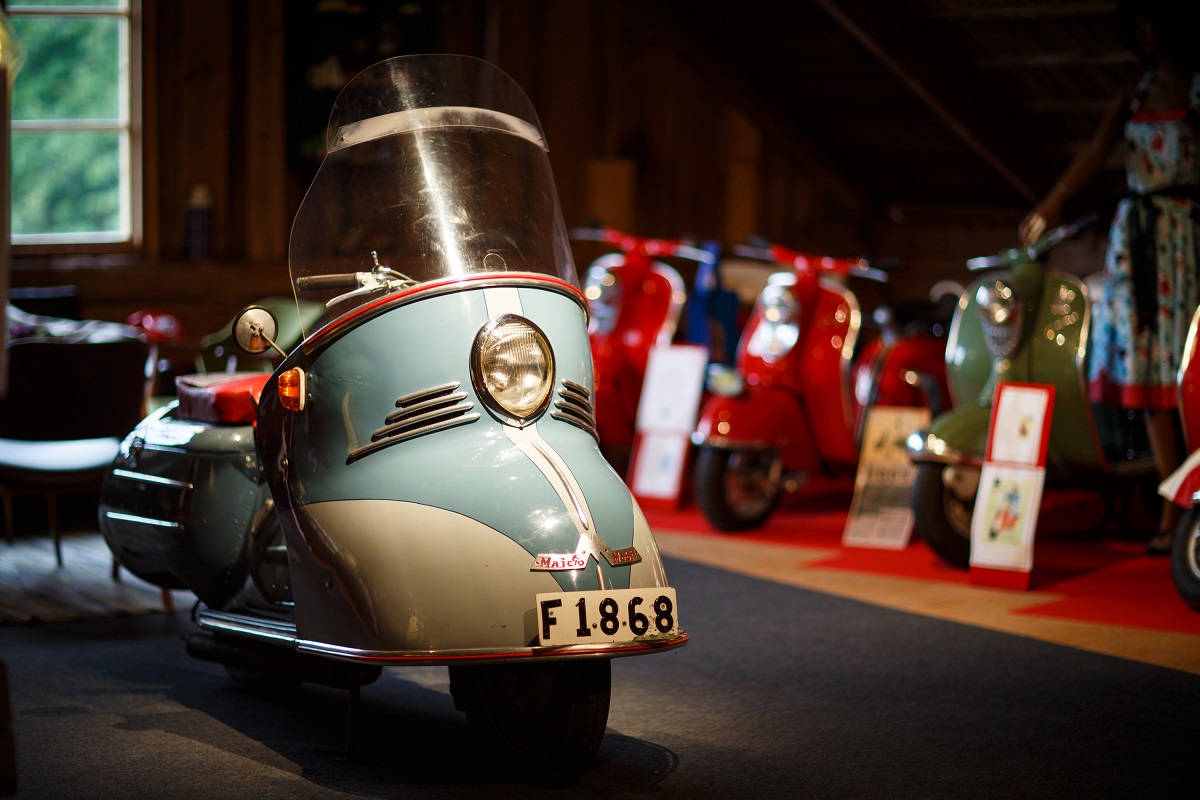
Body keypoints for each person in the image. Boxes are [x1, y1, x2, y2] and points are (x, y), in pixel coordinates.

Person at [1018, 0, 1199, 555]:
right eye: (1139, 22)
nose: (1147, 31)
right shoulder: (1134, 94)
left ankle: (1189, 506)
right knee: (1145, 375)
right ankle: (1170, 510)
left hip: (1185, 237)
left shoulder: (1194, 92)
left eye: (1155, 19)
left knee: (1185, 373)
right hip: (1138, 239)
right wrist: (1049, 205)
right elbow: (1094, 154)